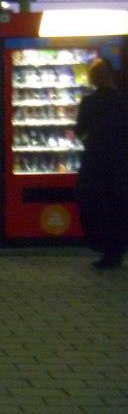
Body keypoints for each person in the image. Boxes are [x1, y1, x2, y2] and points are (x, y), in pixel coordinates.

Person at [75, 58, 128, 269]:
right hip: (119, 162)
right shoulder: (123, 101)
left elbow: (81, 130)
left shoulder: (89, 102)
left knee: (96, 204)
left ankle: (106, 249)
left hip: (95, 161)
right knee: (117, 205)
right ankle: (118, 248)